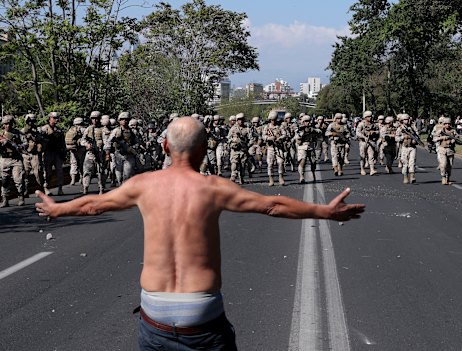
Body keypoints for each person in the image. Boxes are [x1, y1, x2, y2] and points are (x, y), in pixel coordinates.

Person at [34, 117, 365, 351]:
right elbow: (271, 206)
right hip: (202, 313)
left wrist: (57, 208)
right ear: (205, 149)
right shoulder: (213, 188)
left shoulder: (143, 186)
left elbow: (95, 205)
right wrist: (325, 211)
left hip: (156, 312)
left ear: (165, 147)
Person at [0, 114, 26, 207]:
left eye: (9, 123)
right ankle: (5, 199)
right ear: (3, 125)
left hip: (16, 158)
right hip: (4, 159)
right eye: (6, 124)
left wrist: (17, 146)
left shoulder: (18, 134)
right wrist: (1, 142)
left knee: (18, 179)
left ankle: (21, 196)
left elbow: (25, 144)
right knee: (4, 180)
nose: (8, 126)